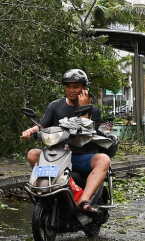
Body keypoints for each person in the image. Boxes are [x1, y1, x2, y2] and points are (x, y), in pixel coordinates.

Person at [21, 69, 111, 216]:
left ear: (84, 88)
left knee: (104, 159)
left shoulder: (93, 110)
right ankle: (49, 190)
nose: (71, 90)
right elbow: (42, 125)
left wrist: (83, 107)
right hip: (58, 156)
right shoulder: (55, 106)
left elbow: (86, 130)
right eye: (68, 86)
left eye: (75, 87)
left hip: (81, 157)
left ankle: (84, 201)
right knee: (32, 154)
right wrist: (30, 131)